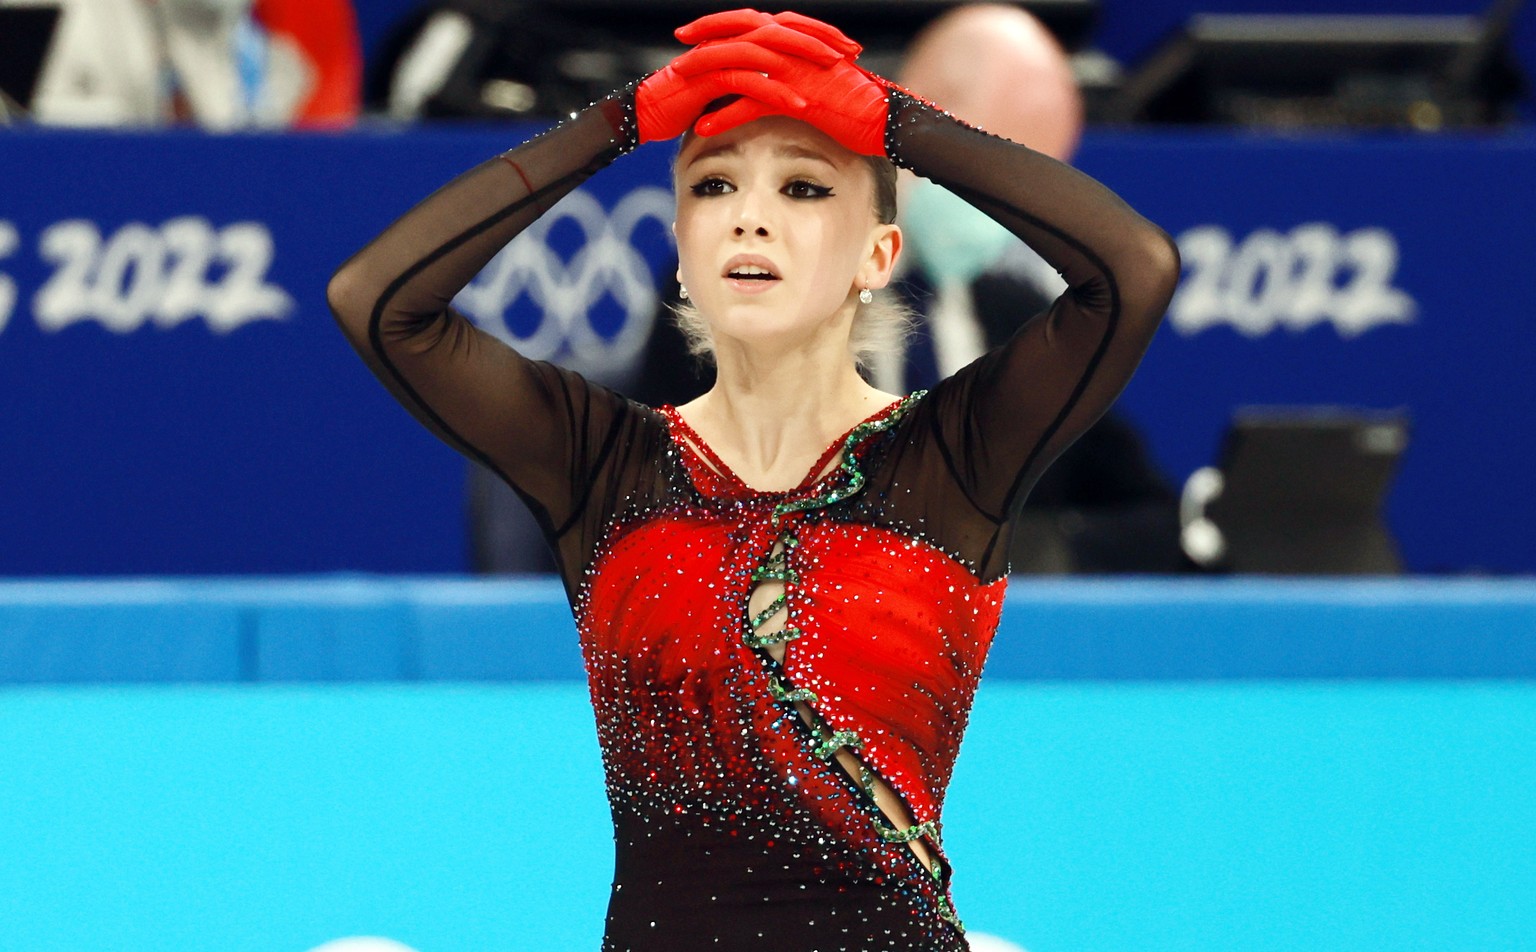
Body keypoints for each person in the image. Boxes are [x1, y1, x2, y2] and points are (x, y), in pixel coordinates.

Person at [328, 9, 1179, 950]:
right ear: (684, 255)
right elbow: (377, 303)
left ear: (878, 255)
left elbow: (1133, 271)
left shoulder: (948, 457)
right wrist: (618, 122)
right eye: (715, 183)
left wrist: (896, 123)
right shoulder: (604, 464)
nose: (752, 212)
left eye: (806, 186)